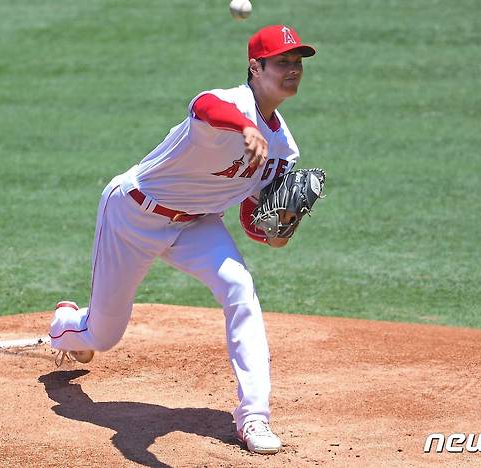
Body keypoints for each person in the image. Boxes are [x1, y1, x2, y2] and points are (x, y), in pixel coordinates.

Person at [49, 24, 316, 455]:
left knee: (239, 289)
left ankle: (254, 418)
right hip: (133, 212)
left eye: (297, 63)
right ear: (255, 67)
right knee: (103, 335)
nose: (293, 70)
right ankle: (64, 323)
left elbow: (254, 222)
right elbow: (203, 106)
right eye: (282, 62)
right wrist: (246, 129)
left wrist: (280, 229)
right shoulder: (227, 105)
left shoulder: (284, 148)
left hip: (197, 225)